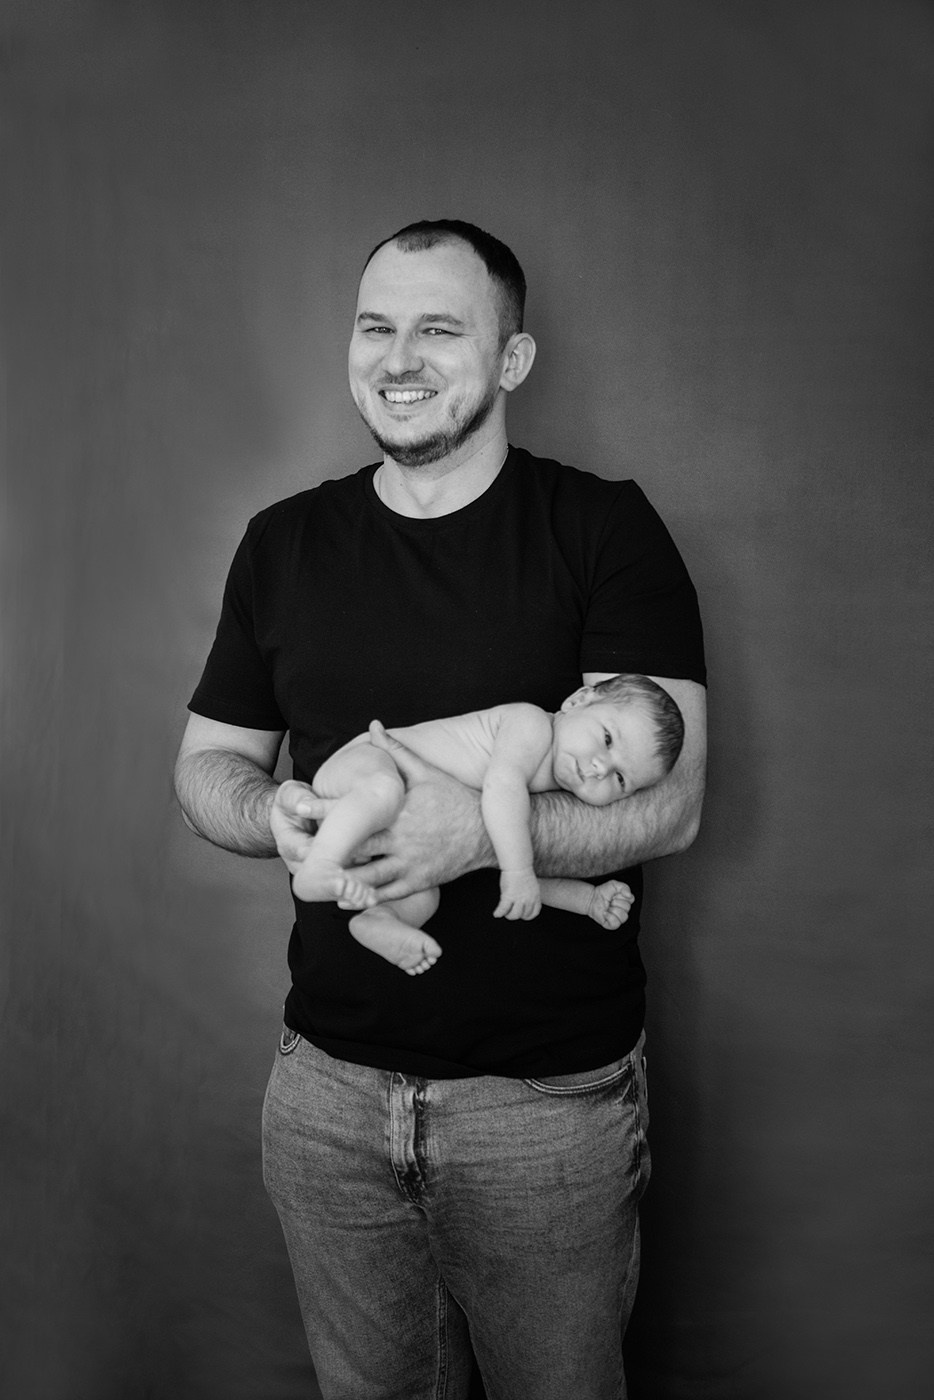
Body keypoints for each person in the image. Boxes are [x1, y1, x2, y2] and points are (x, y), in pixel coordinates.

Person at [174, 218, 707, 1400]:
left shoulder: (603, 529)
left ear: (512, 360)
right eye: (375, 324)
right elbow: (207, 766)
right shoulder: (284, 542)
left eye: (438, 327)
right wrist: (282, 815)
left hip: (544, 1110)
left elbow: (670, 805)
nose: (397, 354)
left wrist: (469, 836)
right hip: (323, 1094)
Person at [285, 673, 684, 976]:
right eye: (608, 739)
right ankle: (321, 866)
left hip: (375, 826)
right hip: (369, 762)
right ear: (579, 700)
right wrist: (518, 870)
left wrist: (587, 900)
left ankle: (378, 922)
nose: (600, 766)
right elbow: (502, 793)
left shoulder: (544, 796)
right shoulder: (531, 726)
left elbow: (516, 866)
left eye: (620, 779)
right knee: (384, 789)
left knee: (424, 895)